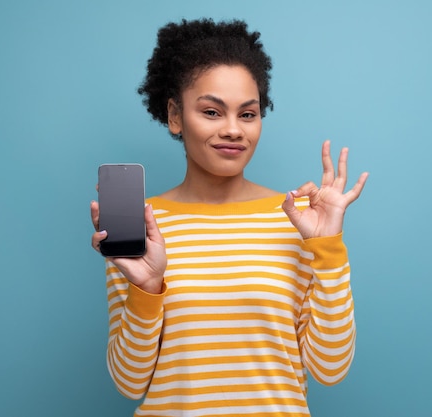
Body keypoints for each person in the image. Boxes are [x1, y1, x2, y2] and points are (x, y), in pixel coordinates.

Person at [90, 18, 369, 417]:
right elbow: (129, 381)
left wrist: (327, 249)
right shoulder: (143, 225)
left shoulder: (300, 220)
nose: (234, 130)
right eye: (211, 111)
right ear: (174, 115)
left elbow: (330, 369)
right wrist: (148, 288)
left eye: (248, 114)